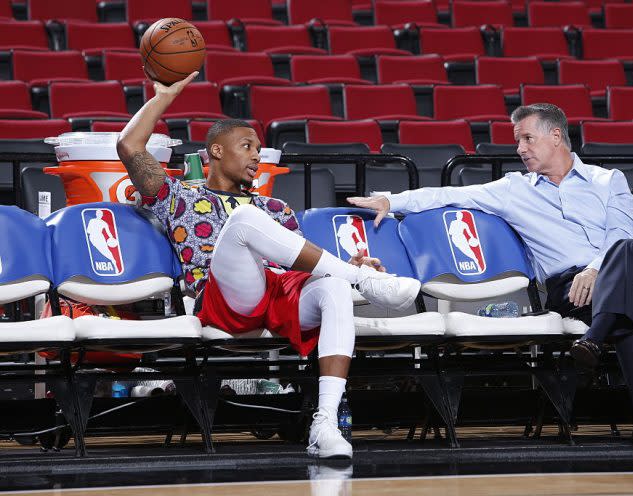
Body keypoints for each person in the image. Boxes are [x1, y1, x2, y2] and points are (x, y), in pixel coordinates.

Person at [116, 72, 421, 459]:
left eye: (259, 148)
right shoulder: (180, 197)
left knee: (334, 288)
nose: (257, 155)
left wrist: (350, 264)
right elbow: (128, 145)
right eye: (247, 146)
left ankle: (324, 423)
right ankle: (362, 280)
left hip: (277, 295)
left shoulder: (276, 207)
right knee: (243, 221)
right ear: (216, 151)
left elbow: (300, 267)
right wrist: (165, 95)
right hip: (225, 300)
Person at [349, 103, 633, 449]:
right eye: (519, 141)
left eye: (528, 139)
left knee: (629, 250)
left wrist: (596, 269)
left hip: (612, 273)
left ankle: (595, 339)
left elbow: (625, 232)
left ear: (556, 136)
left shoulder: (609, 180)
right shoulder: (514, 189)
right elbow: (448, 195)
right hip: (571, 293)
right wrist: (390, 200)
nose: (520, 149)